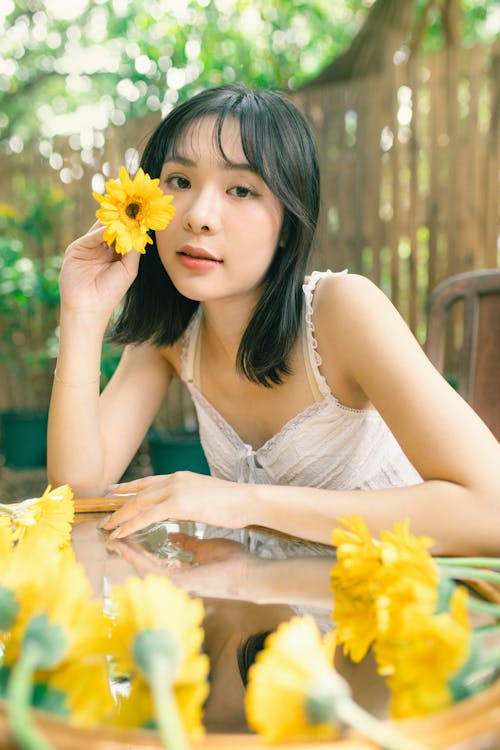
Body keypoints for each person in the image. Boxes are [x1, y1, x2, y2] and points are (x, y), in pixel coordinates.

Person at [47, 83, 500, 557]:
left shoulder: (341, 311)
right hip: (270, 614)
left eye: (241, 189)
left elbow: (489, 509)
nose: (199, 216)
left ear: (289, 224)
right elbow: (78, 491)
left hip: (393, 608)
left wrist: (245, 502)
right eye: (179, 181)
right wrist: (81, 314)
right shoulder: (174, 334)